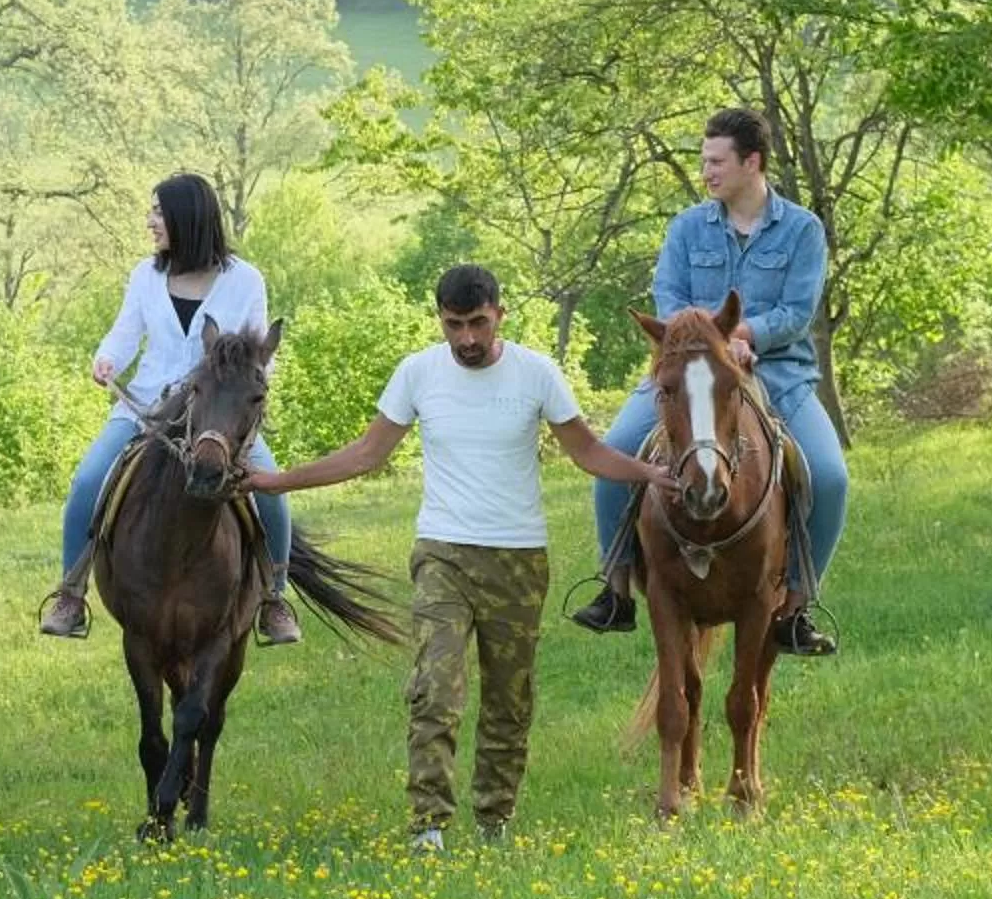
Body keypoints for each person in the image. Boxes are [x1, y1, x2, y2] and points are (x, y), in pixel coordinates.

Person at [247, 266, 675, 848]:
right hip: (442, 553)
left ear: (500, 313)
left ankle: (495, 819)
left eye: (477, 323)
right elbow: (366, 455)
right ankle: (429, 827)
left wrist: (649, 473)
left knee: (509, 695)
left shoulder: (537, 374)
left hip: (518, 558)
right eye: (455, 325)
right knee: (435, 689)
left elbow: (590, 452)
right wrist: (278, 482)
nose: (467, 338)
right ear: (440, 321)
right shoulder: (418, 373)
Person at [571, 107, 847, 656]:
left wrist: (745, 334)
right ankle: (618, 586)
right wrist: (708, 342)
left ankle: (794, 606)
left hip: (779, 375)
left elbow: (797, 311)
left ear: (753, 162)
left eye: (717, 162)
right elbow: (669, 300)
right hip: (689, 373)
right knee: (617, 453)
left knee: (831, 477)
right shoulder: (687, 228)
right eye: (703, 162)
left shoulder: (802, 230)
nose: (707, 173)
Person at [39, 173, 298, 646]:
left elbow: (262, 355)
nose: (150, 221)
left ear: (187, 218)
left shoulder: (245, 280)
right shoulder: (145, 275)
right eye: (152, 211)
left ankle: (274, 598)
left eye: (158, 212)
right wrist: (107, 359)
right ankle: (71, 593)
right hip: (147, 409)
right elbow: (125, 331)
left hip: (219, 413)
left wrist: (239, 405)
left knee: (272, 490)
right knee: (87, 479)